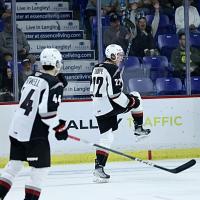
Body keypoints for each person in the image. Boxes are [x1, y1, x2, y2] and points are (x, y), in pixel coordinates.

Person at [0, 48, 69, 200]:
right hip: (34, 134)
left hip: (17, 129)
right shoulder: (54, 84)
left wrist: (57, 82)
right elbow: (46, 113)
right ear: (56, 63)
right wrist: (60, 128)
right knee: (40, 171)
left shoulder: (32, 77)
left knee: (14, 167)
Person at [90, 44, 151, 183]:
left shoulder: (96, 67)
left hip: (98, 107)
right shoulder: (113, 68)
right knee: (136, 96)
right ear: (112, 56)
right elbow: (114, 94)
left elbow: (93, 90)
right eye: (118, 55)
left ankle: (98, 168)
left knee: (106, 137)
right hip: (110, 106)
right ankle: (138, 128)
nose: (121, 57)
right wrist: (130, 103)